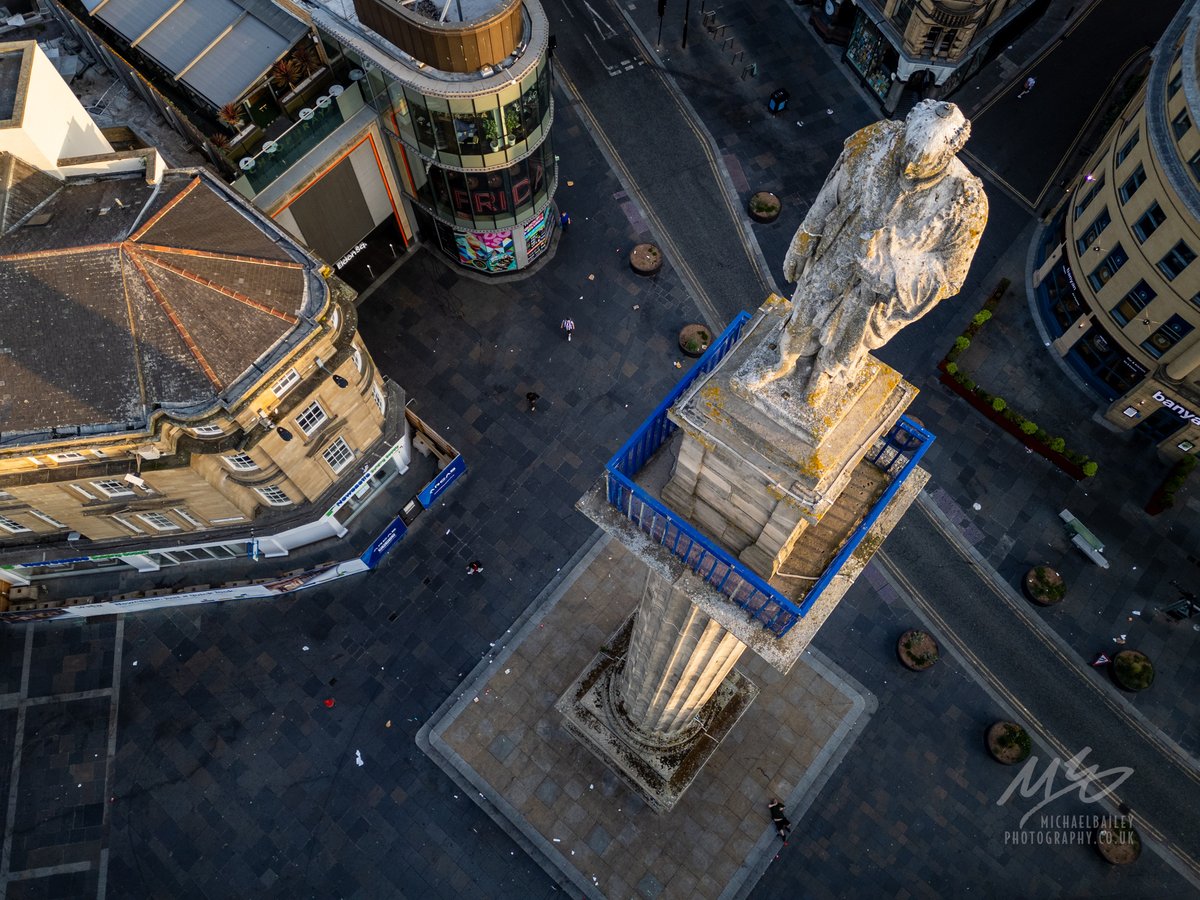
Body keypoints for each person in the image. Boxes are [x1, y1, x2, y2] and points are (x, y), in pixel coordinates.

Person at [738, 99, 987, 401]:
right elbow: (832, 192)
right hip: (837, 251)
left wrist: (893, 271)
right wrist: (804, 238)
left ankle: (824, 376)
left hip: (875, 291)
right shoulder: (877, 138)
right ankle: (783, 362)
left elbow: (950, 276)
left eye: (922, 160)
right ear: (906, 127)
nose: (908, 166)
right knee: (804, 313)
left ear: (950, 152)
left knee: (845, 342)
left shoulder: (965, 202)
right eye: (907, 151)